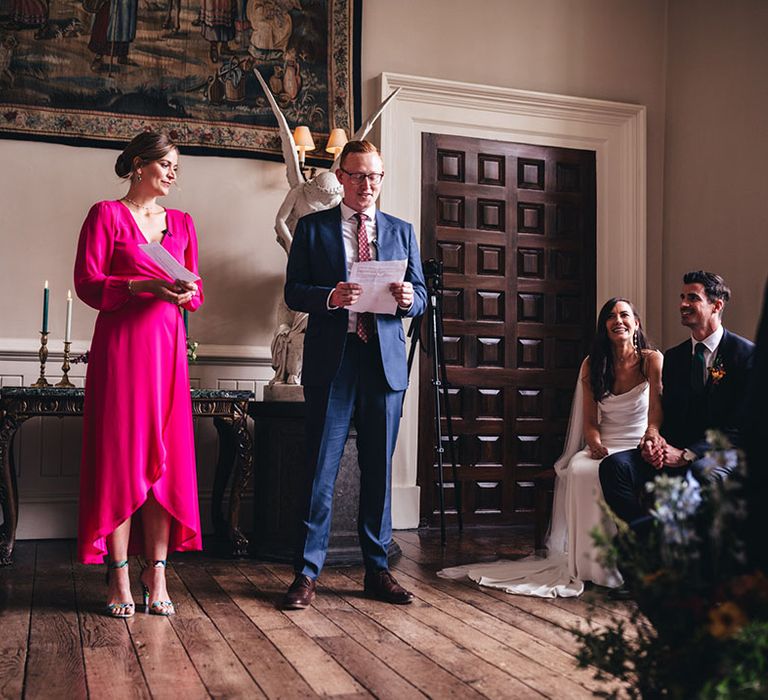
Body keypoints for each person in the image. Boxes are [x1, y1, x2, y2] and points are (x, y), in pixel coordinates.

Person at [281, 140, 427, 610]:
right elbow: (293, 292)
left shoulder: (402, 231)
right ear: (341, 177)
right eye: (359, 176)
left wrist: (409, 300)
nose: (368, 186)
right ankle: (306, 573)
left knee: (378, 473)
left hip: (383, 366)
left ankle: (377, 570)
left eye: (375, 177)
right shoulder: (312, 228)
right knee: (319, 471)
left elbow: (423, 295)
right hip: (333, 362)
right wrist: (330, 296)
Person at [438, 298, 662, 597]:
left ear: (636, 323)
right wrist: (594, 443)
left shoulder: (652, 360)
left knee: (610, 474)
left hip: (635, 443)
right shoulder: (593, 363)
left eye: (624, 315)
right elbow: (590, 419)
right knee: (581, 469)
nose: (617, 321)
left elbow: (655, 411)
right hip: (603, 442)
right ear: (603, 326)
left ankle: (625, 563)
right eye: (610, 316)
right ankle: (591, 566)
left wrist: (650, 434)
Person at [74, 131, 203, 618]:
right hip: (122, 349)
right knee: (122, 458)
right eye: (166, 164)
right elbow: (87, 281)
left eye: (177, 168)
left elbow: (196, 289)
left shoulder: (184, 223)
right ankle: (120, 575)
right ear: (138, 165)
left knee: (164, 461)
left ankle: (158, 572)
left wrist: (186, 292)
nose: (173, 174)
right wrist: (141, 283)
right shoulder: (105, 215)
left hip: (167, 349)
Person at [600, 271, 755, 530]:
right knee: (614, 467)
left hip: (720, 454)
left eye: (692, 298)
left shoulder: (746, 355)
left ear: (717, 305)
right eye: (682, 297)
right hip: (674, 450)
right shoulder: (674, 356)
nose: (683, 304)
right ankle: (650, 536)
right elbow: (668, 411)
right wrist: (655, 441)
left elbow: (740, 428)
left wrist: (687, 455)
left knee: (698, 474)